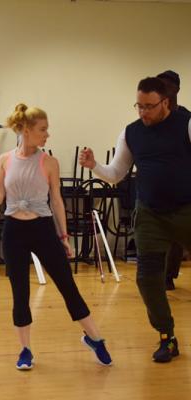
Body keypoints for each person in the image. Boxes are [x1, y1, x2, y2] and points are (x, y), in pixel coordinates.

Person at [0, 103, 112, 370]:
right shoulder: (5, 159)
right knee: (20, 292)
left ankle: (95, 338)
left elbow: (57, 201)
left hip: (43, 229)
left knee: (67, 285)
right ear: (26, 130)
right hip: (14, 231)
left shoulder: (49, 162)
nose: (47, 134)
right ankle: (25, 350)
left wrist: (63, 236)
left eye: (47, 129)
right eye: (42, 129)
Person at [79, 77, 191, 363]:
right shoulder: (131, 133)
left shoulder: (186, 124)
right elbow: (116, 173)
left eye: (149, 107)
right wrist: (94, 167)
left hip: (187, 209)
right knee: (147, 278)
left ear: (165, 102)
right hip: (151, 213)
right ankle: (167, 337)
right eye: (138, 106)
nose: (143, 112)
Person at [156, 70, 191, 291]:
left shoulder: (187, 119)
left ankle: (169, 275)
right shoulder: (154, 120)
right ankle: (163, 276)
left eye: (166, 86)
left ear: (176, 89)